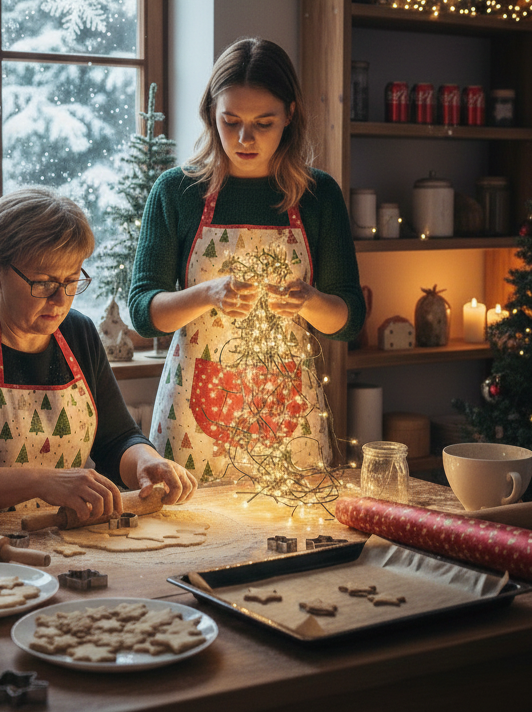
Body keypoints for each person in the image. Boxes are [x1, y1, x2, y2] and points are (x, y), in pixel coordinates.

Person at [128, 38, 365, 483]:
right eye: (230, 120)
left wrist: (310, 300)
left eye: (263, 122)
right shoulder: (176, 192)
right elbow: (143, 313)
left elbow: (348, 320)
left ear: (290, 115)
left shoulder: (319, 196)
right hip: (191, 426)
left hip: (290, 422)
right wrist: (207, 294)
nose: (244, 138)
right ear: (211, 113)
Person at [0, 187, 196, 519]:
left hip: (55, 540)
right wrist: (41, 482)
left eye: (71, 281)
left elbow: (117, 438)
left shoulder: (78, 333)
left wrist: (146, 461)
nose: (60, 300)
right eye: (44, 283)